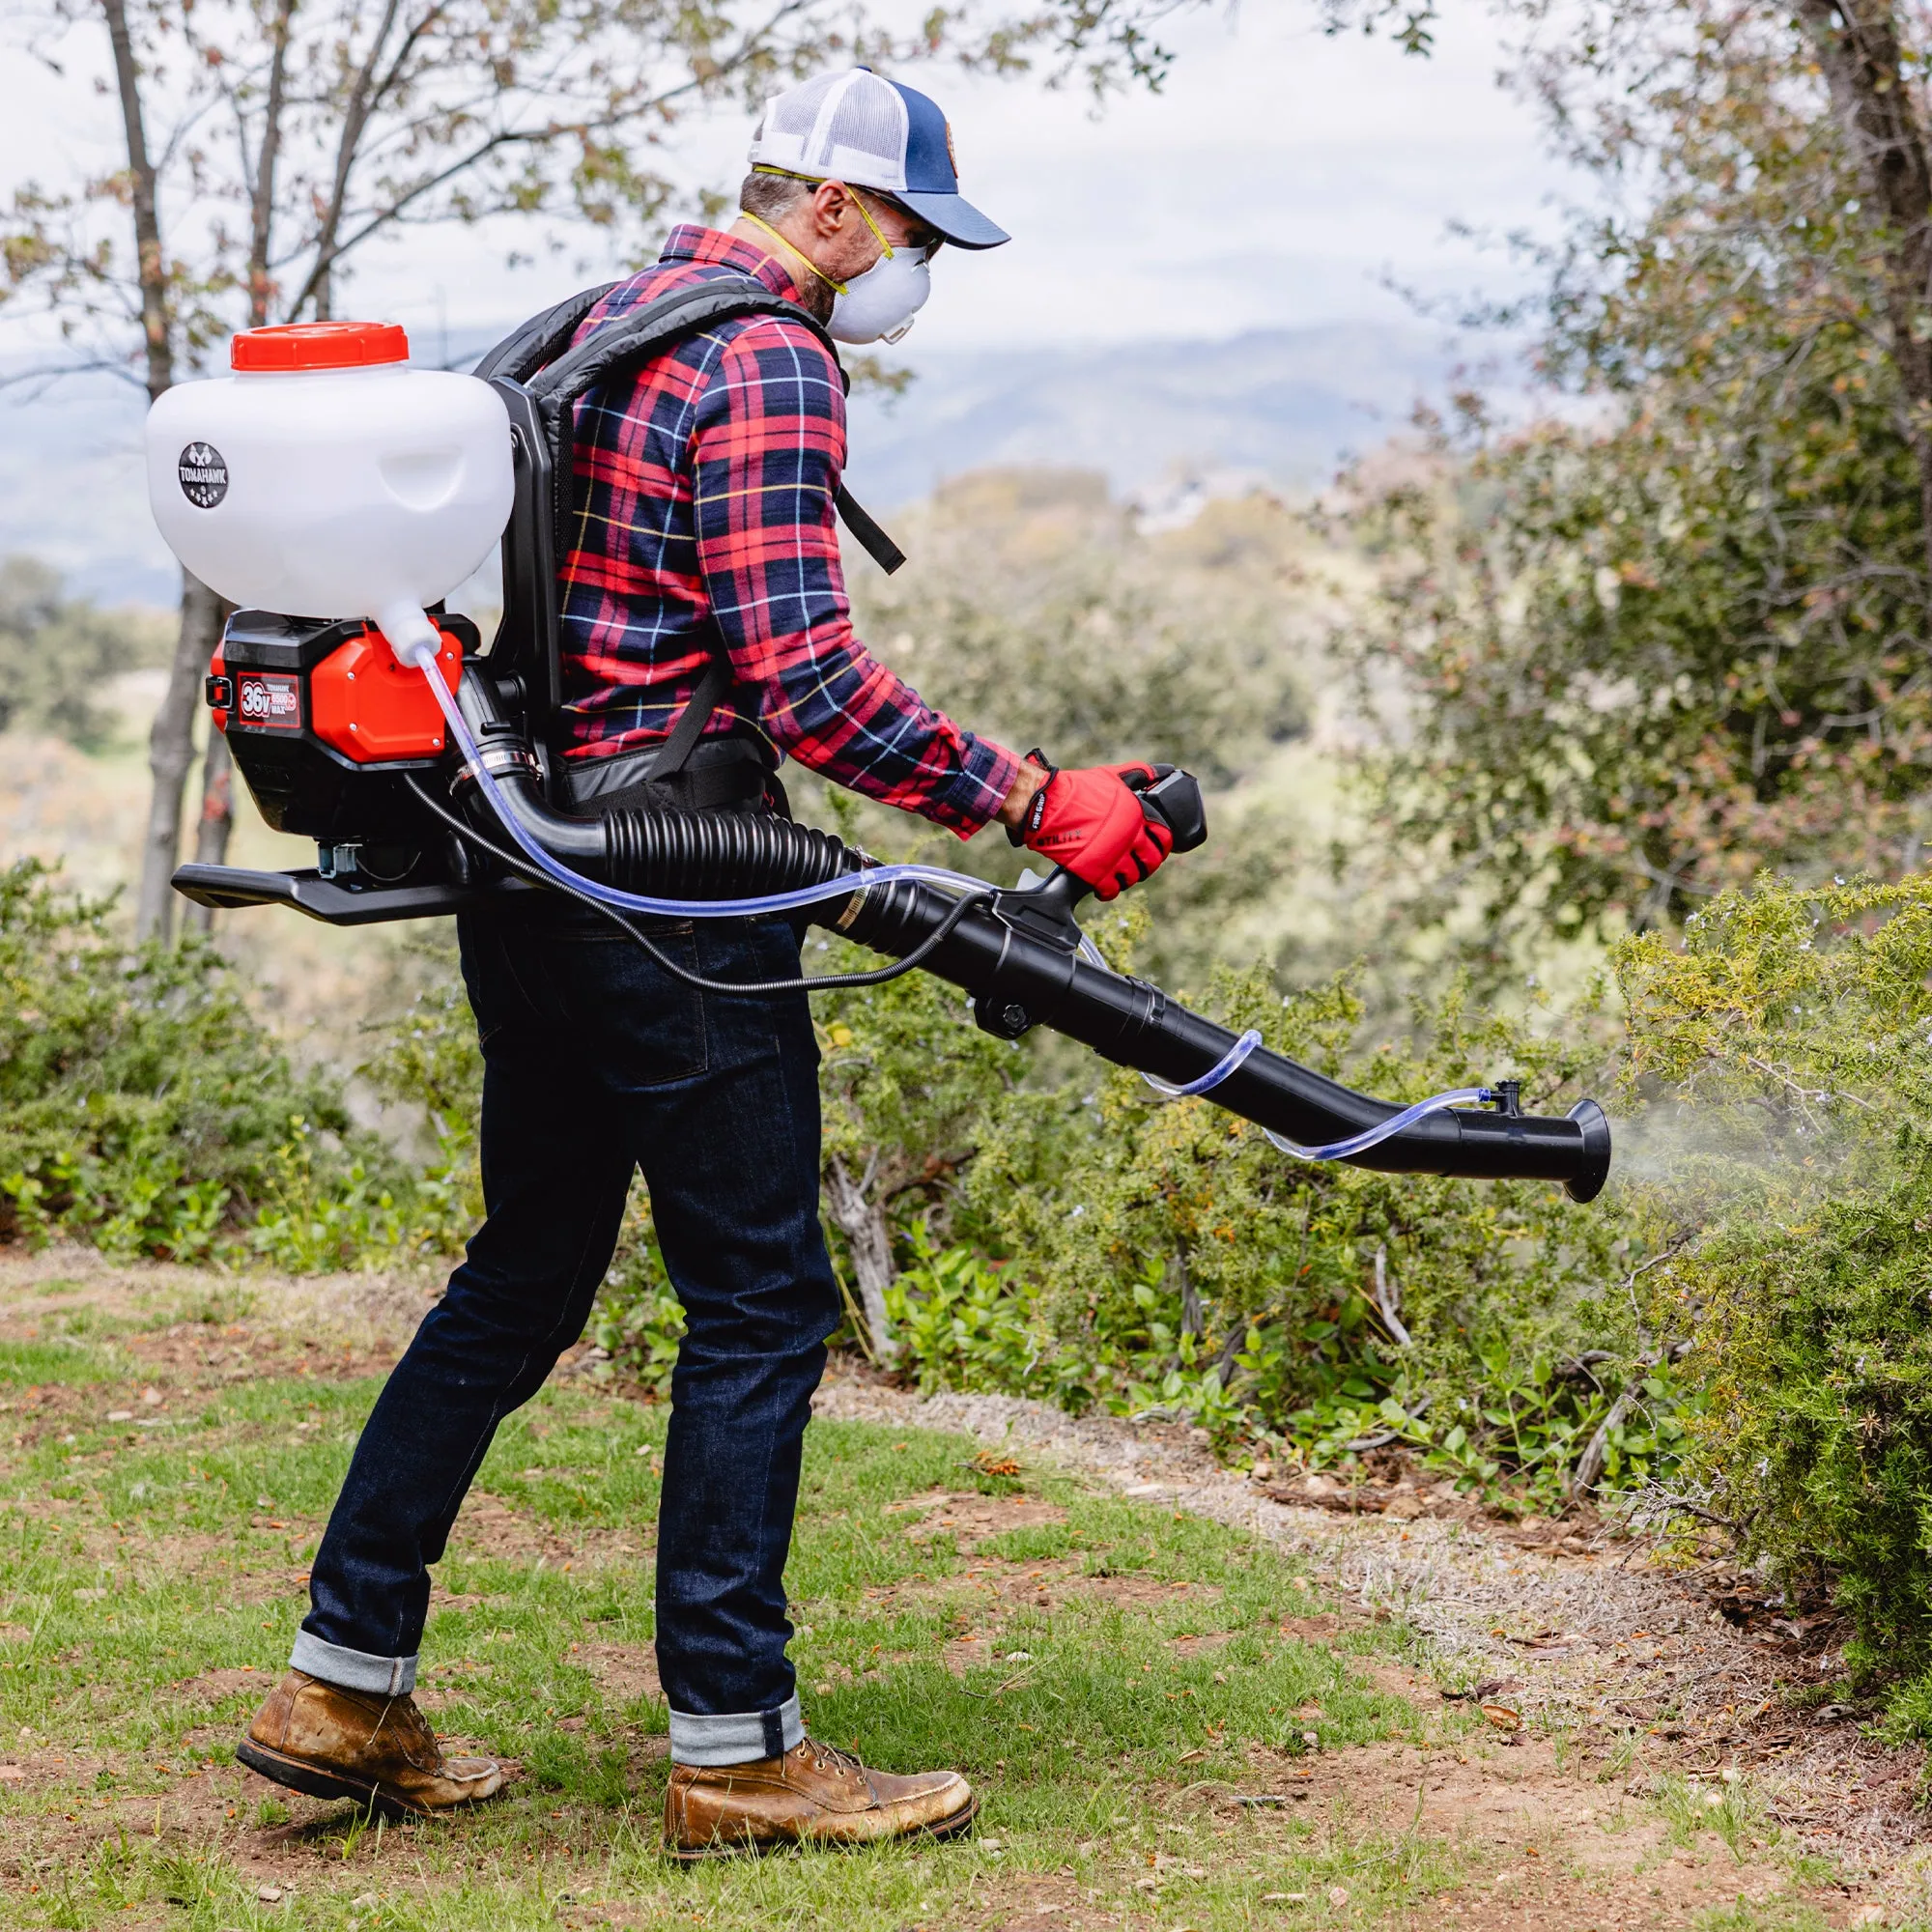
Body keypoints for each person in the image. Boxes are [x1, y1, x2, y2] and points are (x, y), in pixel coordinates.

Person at [238, 66, 1175, 1857]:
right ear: (832, 209)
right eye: (911, 236)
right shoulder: (763, 355)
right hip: (676, 887)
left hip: (527, 858)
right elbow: (807, 682)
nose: (914, 275)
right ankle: (738, 1749)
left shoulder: (599, 320)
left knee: (522, 1275)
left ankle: (340, 1686)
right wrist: (1034, 798)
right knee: (757, 1304)